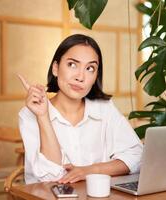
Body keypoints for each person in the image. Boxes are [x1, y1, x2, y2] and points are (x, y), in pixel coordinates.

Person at [18, 34, 143, 184]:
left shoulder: (104, 108)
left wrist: (89, 170)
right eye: (72, 64)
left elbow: (137, 155)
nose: (80, 77)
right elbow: (49, 177)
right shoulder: (29, 115)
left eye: (90, 68)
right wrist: (43, 116)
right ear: (55, 68)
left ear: (96, 75)